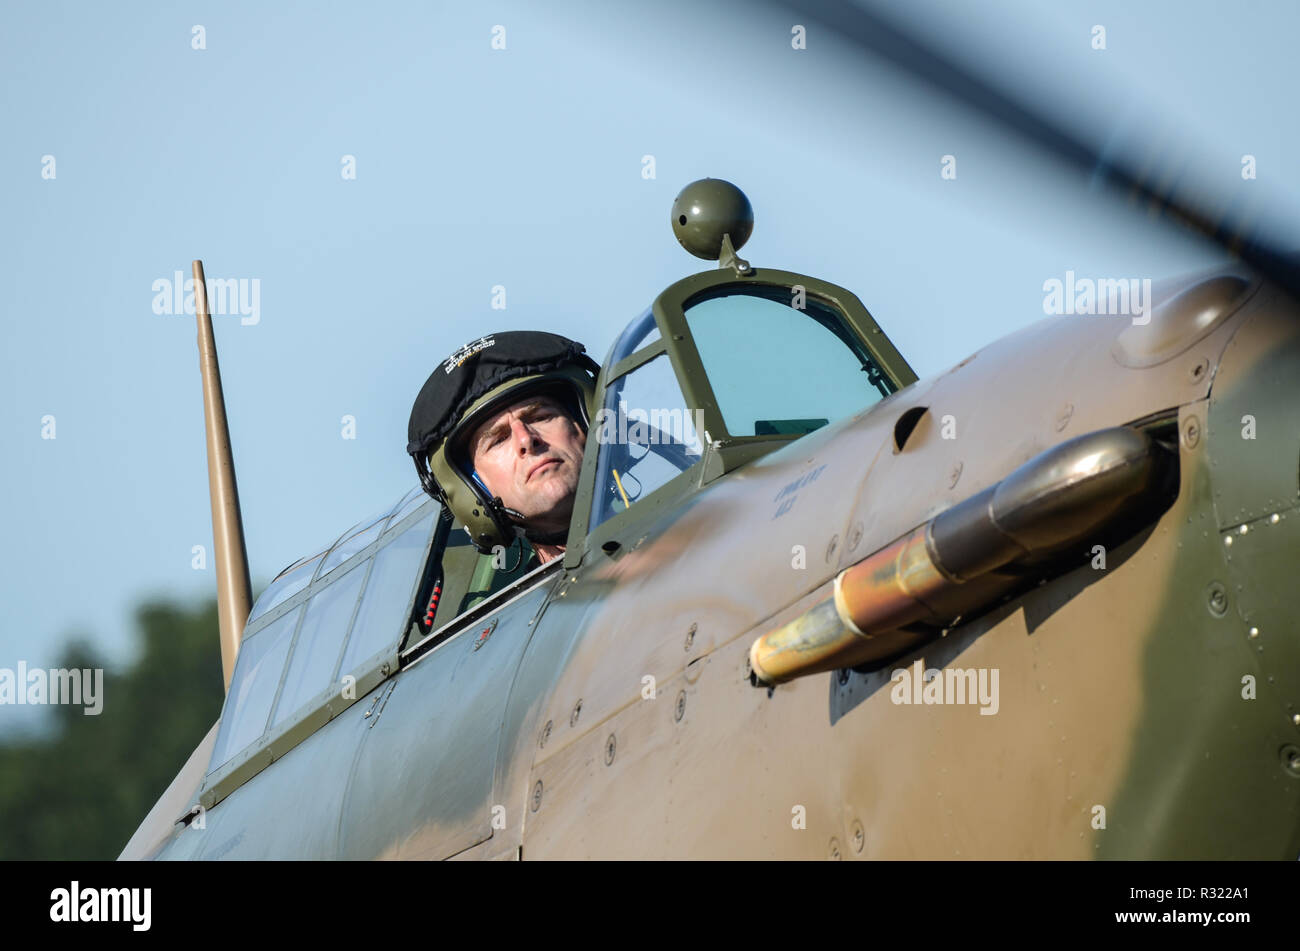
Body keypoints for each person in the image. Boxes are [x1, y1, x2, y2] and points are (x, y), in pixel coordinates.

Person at [406, 331, 600, 566]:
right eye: (498, 439)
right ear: (474, 489)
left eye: (540, 417)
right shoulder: (520, 602)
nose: (526, 440)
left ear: (585, 421)